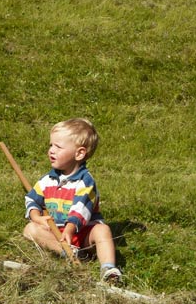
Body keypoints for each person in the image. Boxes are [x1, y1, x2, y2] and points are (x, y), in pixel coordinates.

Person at [23, 118, 122, 283]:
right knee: (30, 229)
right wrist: (36, 217)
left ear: (79, 153)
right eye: (50, 145)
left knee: (103, 230)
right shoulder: (48, 179)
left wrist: (69, 230)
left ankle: (108, 268)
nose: (51, 151)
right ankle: (71, 252)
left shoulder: (85, 181)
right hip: (58, 234)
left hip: (83, 233)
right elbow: (32, 199)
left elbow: (80, 209)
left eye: (58, 147)